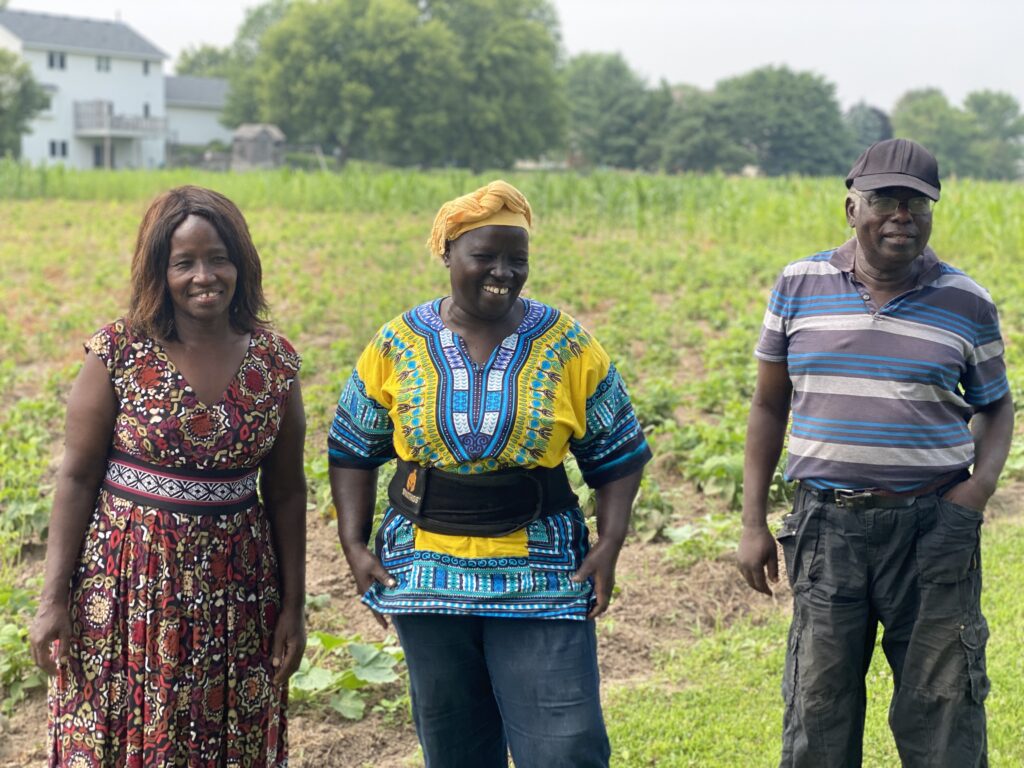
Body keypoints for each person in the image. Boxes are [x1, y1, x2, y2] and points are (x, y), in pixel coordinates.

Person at [328, 180, 651, 768]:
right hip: (424, 572)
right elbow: (353, 445)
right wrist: (352, 543)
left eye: (517, 260)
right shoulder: (398, 342)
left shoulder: (567, 343)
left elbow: (618, 451)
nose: (503, 271)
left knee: (564, 746)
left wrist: (610, 542)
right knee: (455, 746)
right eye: (485, 256)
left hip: (542, 568)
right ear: (448, 254)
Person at [737, 139, 1013, 767]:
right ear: (851, 206)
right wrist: (753, 523)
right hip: (825, 528)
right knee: (818, 706)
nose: (902, 215)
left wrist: (977, 492)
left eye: (918, 203)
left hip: (933, 527)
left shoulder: (965, 300)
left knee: (944, 706)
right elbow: (767, 408)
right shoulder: (799, 284)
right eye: (886, 200)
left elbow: (996, 406)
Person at [29, 186, 307, 767]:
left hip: (238, 595)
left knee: (228, 738)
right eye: (185, 262)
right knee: (119, 729)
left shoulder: (273, 362)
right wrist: (53, 599)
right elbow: (77, 479)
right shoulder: (121, 352)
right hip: (127, 589)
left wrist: (293, 607)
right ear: (161, 270)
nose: (204, 276)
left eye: (218, 258)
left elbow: (285, 491)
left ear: (241, 265)